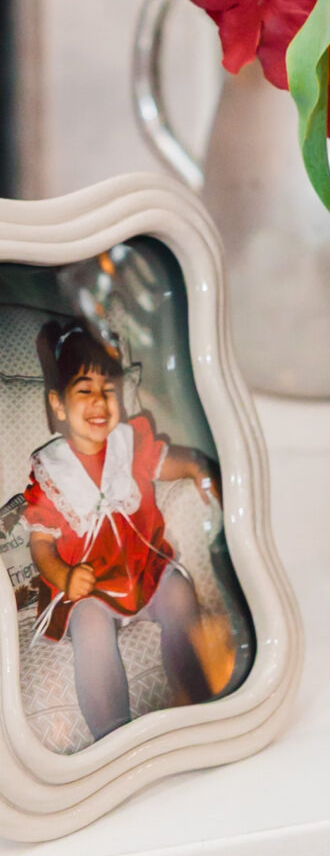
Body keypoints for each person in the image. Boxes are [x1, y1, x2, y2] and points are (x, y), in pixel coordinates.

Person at [24, 315, 221, 742]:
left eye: (108, 391)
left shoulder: (130, 443)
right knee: (91, 627)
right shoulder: (52, 471)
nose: (99, 401)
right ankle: (113, 734)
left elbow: (168, 463)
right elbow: (40, 544)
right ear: (59, 405)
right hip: (88, 584)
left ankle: (198, 697)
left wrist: (198, 468)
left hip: (142, 568)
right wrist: (64, 576)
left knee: (180, 596)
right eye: (84, 391)